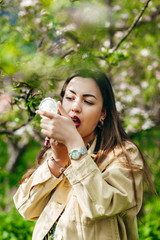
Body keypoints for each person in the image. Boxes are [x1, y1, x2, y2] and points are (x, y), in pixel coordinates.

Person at [13, 69, 155, 240]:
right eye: (70, 98)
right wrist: (58, 159)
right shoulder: (58, 150)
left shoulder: (124, 155)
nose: (75, 107)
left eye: (87, 101)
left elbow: (101, 206)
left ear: (103, 113)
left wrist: (74, 145)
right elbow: (26, 208)